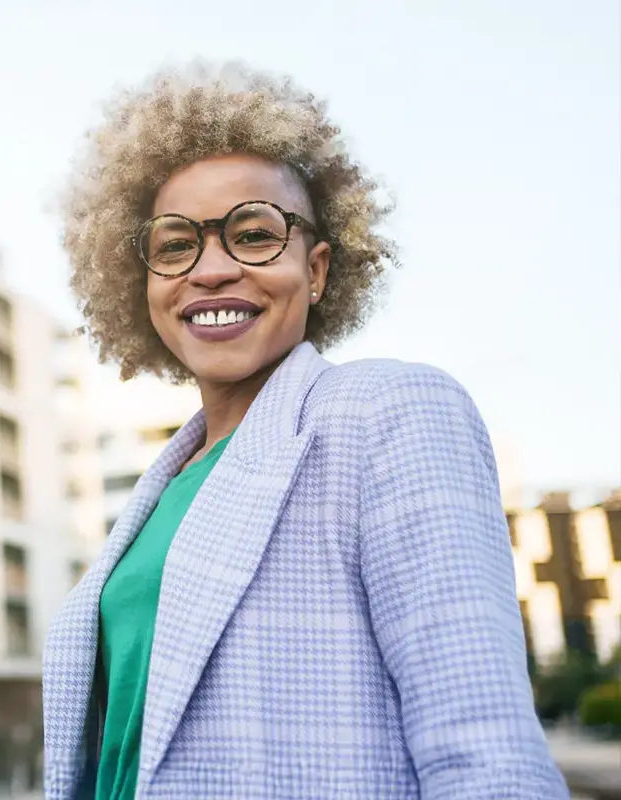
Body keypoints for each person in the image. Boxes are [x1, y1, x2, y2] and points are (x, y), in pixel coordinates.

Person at [41, 62, 567, 799]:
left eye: (254, 234)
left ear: (316, 269)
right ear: (145, 281)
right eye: (173, 244)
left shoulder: (393, 411)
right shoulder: (160, 488)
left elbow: (484, 752)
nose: (211, 269)